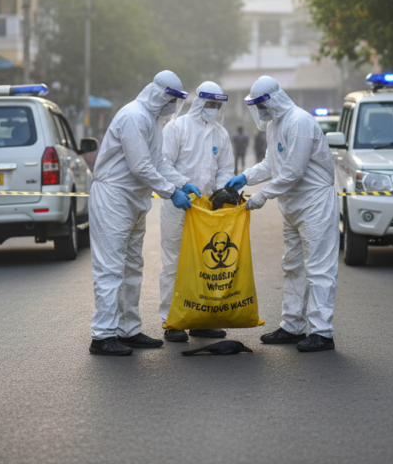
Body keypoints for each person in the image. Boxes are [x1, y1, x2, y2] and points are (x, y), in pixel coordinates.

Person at [225, 76, 340, 352]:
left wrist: (262, 196)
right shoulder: (275, 125)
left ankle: (322, 332)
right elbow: (271, 163)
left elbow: (293, 171)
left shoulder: (299, 122)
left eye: (261, 104)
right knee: (293, 267)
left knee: (319, 269)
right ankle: (292, 326)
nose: (260, 111)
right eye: (257, 106)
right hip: (293, 206)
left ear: (273, 99)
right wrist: (245, 177)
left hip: (315, 206)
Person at [88, 70, 197, 356]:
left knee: (131, 267)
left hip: (133, 200)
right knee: (110, 268)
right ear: (159, 93)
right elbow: (140, 166)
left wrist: (182, 182)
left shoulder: (153, 120)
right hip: (113, 198)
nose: (173, 105)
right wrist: (170, 192)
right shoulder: (134, 116)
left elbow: (158, 161)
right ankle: (102, 336)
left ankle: (128, 330)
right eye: (171, 98)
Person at [159, 81, 235, 343]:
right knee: (174, 264)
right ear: (199, 103)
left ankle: (201, 320)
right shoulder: (177, 128)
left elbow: (225, 168)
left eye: (217, 105)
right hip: (178, 205)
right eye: (209, 104)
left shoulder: (221, 134)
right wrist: (181, 185)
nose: (212, 109)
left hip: (206, 210)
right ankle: (173, 321)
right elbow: (163, 164)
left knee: (205, 265)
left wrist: (224, 190)